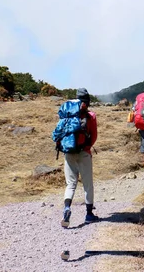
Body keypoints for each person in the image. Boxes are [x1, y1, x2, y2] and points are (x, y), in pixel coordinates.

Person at [52, 88, 98, 228]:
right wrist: (87, 146)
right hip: (84, 153)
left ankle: (66, 209)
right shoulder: (90, 116)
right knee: (87, 184)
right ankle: (89, 214)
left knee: (70, 184)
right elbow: (94, 136)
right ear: (87, 100)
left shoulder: (67, 114)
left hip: (69, 153)